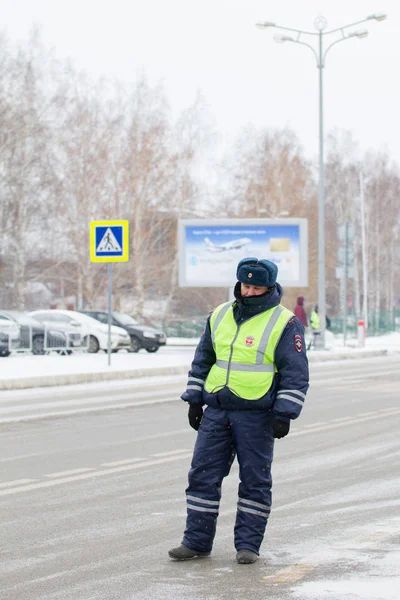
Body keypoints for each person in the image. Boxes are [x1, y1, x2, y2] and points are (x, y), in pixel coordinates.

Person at [168, 257, 309, 565]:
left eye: (256, 287)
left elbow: (295, 372)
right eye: (245, 285)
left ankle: (248, 546)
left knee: (254, 480)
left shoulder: (284, 322)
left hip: (257, 414)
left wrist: (284, 412)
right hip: (217, 409)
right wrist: (194, 398)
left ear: (269, 287)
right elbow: (203, 358)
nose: (248, 292)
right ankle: (196, 542)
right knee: (202, 476)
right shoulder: (219, 315)